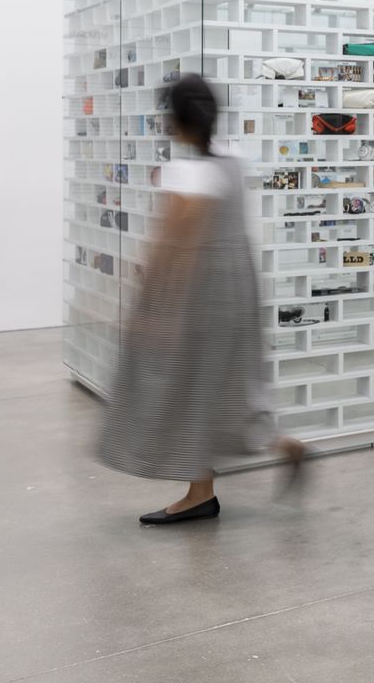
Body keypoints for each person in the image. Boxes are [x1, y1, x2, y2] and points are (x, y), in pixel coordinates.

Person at [98, 74, 305, 525]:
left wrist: (150, 309)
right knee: (222, 388)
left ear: (175, 120)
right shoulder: (231, 160)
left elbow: (172, 245)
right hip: (236, 290)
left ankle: (201, 492)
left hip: (200, 297)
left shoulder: (189, 172)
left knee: (182, 388)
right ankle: (268, 453)